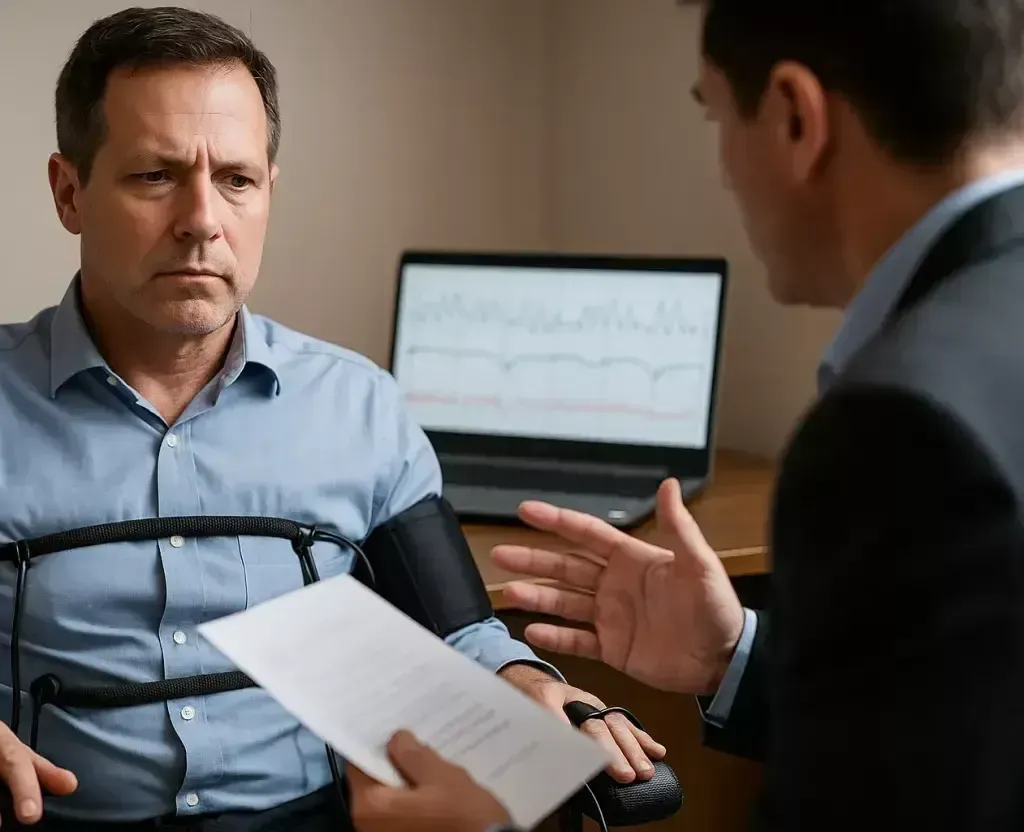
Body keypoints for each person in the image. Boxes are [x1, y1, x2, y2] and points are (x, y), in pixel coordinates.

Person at [346, 0, 1024, 829]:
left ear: (794, 116)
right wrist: (735, 652)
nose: (725, 168)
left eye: (715, 116)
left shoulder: (900, 425)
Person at [0, 6, 666, 830]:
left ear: (268, 193)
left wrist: (529, 685)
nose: (203, 219)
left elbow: (460, 631)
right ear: (70, 192)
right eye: (155, 176)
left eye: (236, 180)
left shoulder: (361, 409)